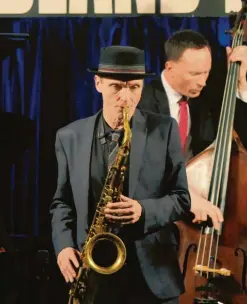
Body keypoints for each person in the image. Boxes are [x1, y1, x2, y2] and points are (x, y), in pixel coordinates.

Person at [49, 45, 191, 304]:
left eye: (134, 87)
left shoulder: (165, 130)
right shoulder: (69, 136)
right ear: (98, 83)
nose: (126, 98)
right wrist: (63, 246)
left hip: (151, 278)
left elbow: (182, 199)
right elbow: (62, 202)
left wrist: (143, 211)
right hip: (93, 274)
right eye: (116, 87)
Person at [138, 29, 247, 231]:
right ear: (170, 67)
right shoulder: (140, 102)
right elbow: (143, 169)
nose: (202, 81)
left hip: (200, 220)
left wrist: (240, 81)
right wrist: (186, 196)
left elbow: (246, 140)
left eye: (206, 72)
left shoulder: (209, 97)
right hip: (157, 220)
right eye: (194, 74)